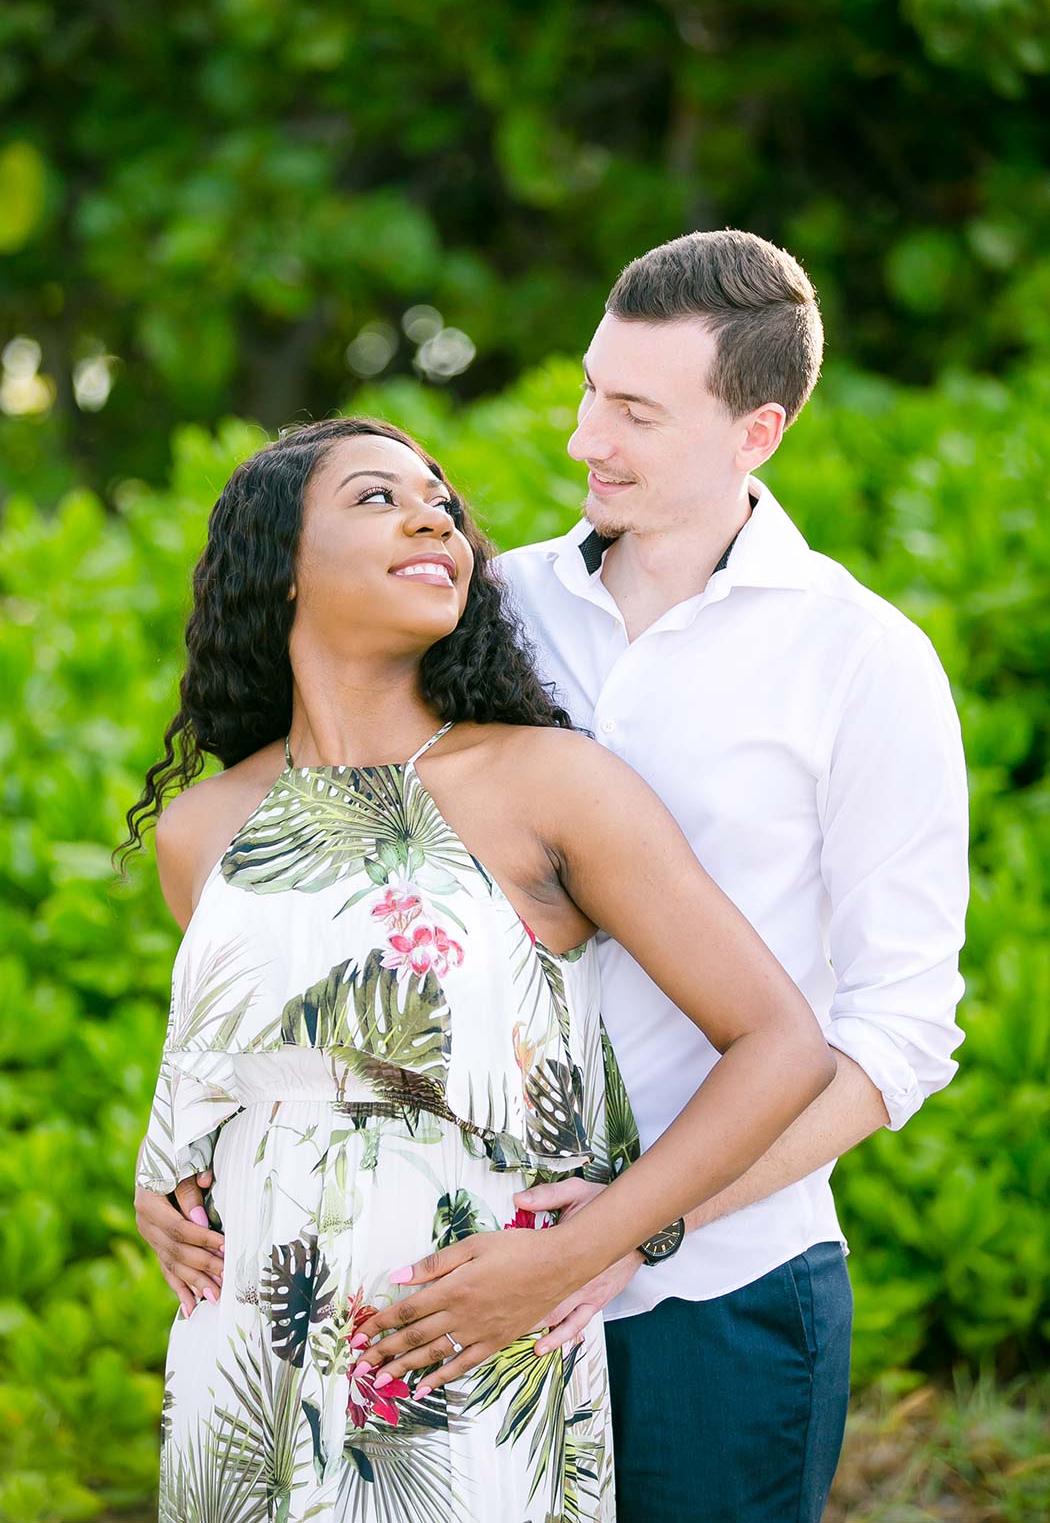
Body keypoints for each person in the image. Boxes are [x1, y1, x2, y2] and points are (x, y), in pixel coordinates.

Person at [126, 414, 835, 1522]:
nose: (433, 514)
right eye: (375, 496)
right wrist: (160, 1187)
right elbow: (243, 1073)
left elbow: (782, 1045)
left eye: (442, 499)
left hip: (468, 1337)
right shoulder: (203, 829)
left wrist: (579, 1254)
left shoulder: (549, 783)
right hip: (247, 1353)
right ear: (281, 568)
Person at [358, 229, 965, 1522]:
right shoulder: (486, 610)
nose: (586, 438)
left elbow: (898, 1029)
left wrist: (626, 1230)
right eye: (589, 389)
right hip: (453, 1274)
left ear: (758, 428)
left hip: (726, 1297)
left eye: (634, 410)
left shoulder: (863, 658)